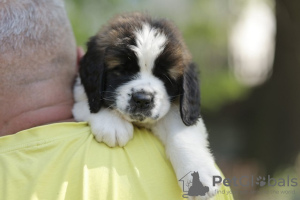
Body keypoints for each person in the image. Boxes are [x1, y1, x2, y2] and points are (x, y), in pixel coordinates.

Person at [0, 1, 233, 199]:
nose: (144, 93)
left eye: (163, 77)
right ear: (88, 65)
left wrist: (188, 154)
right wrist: (98, 112)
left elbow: (185, 121)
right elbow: (82, 96)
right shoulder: (88, 79)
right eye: (123, 70)